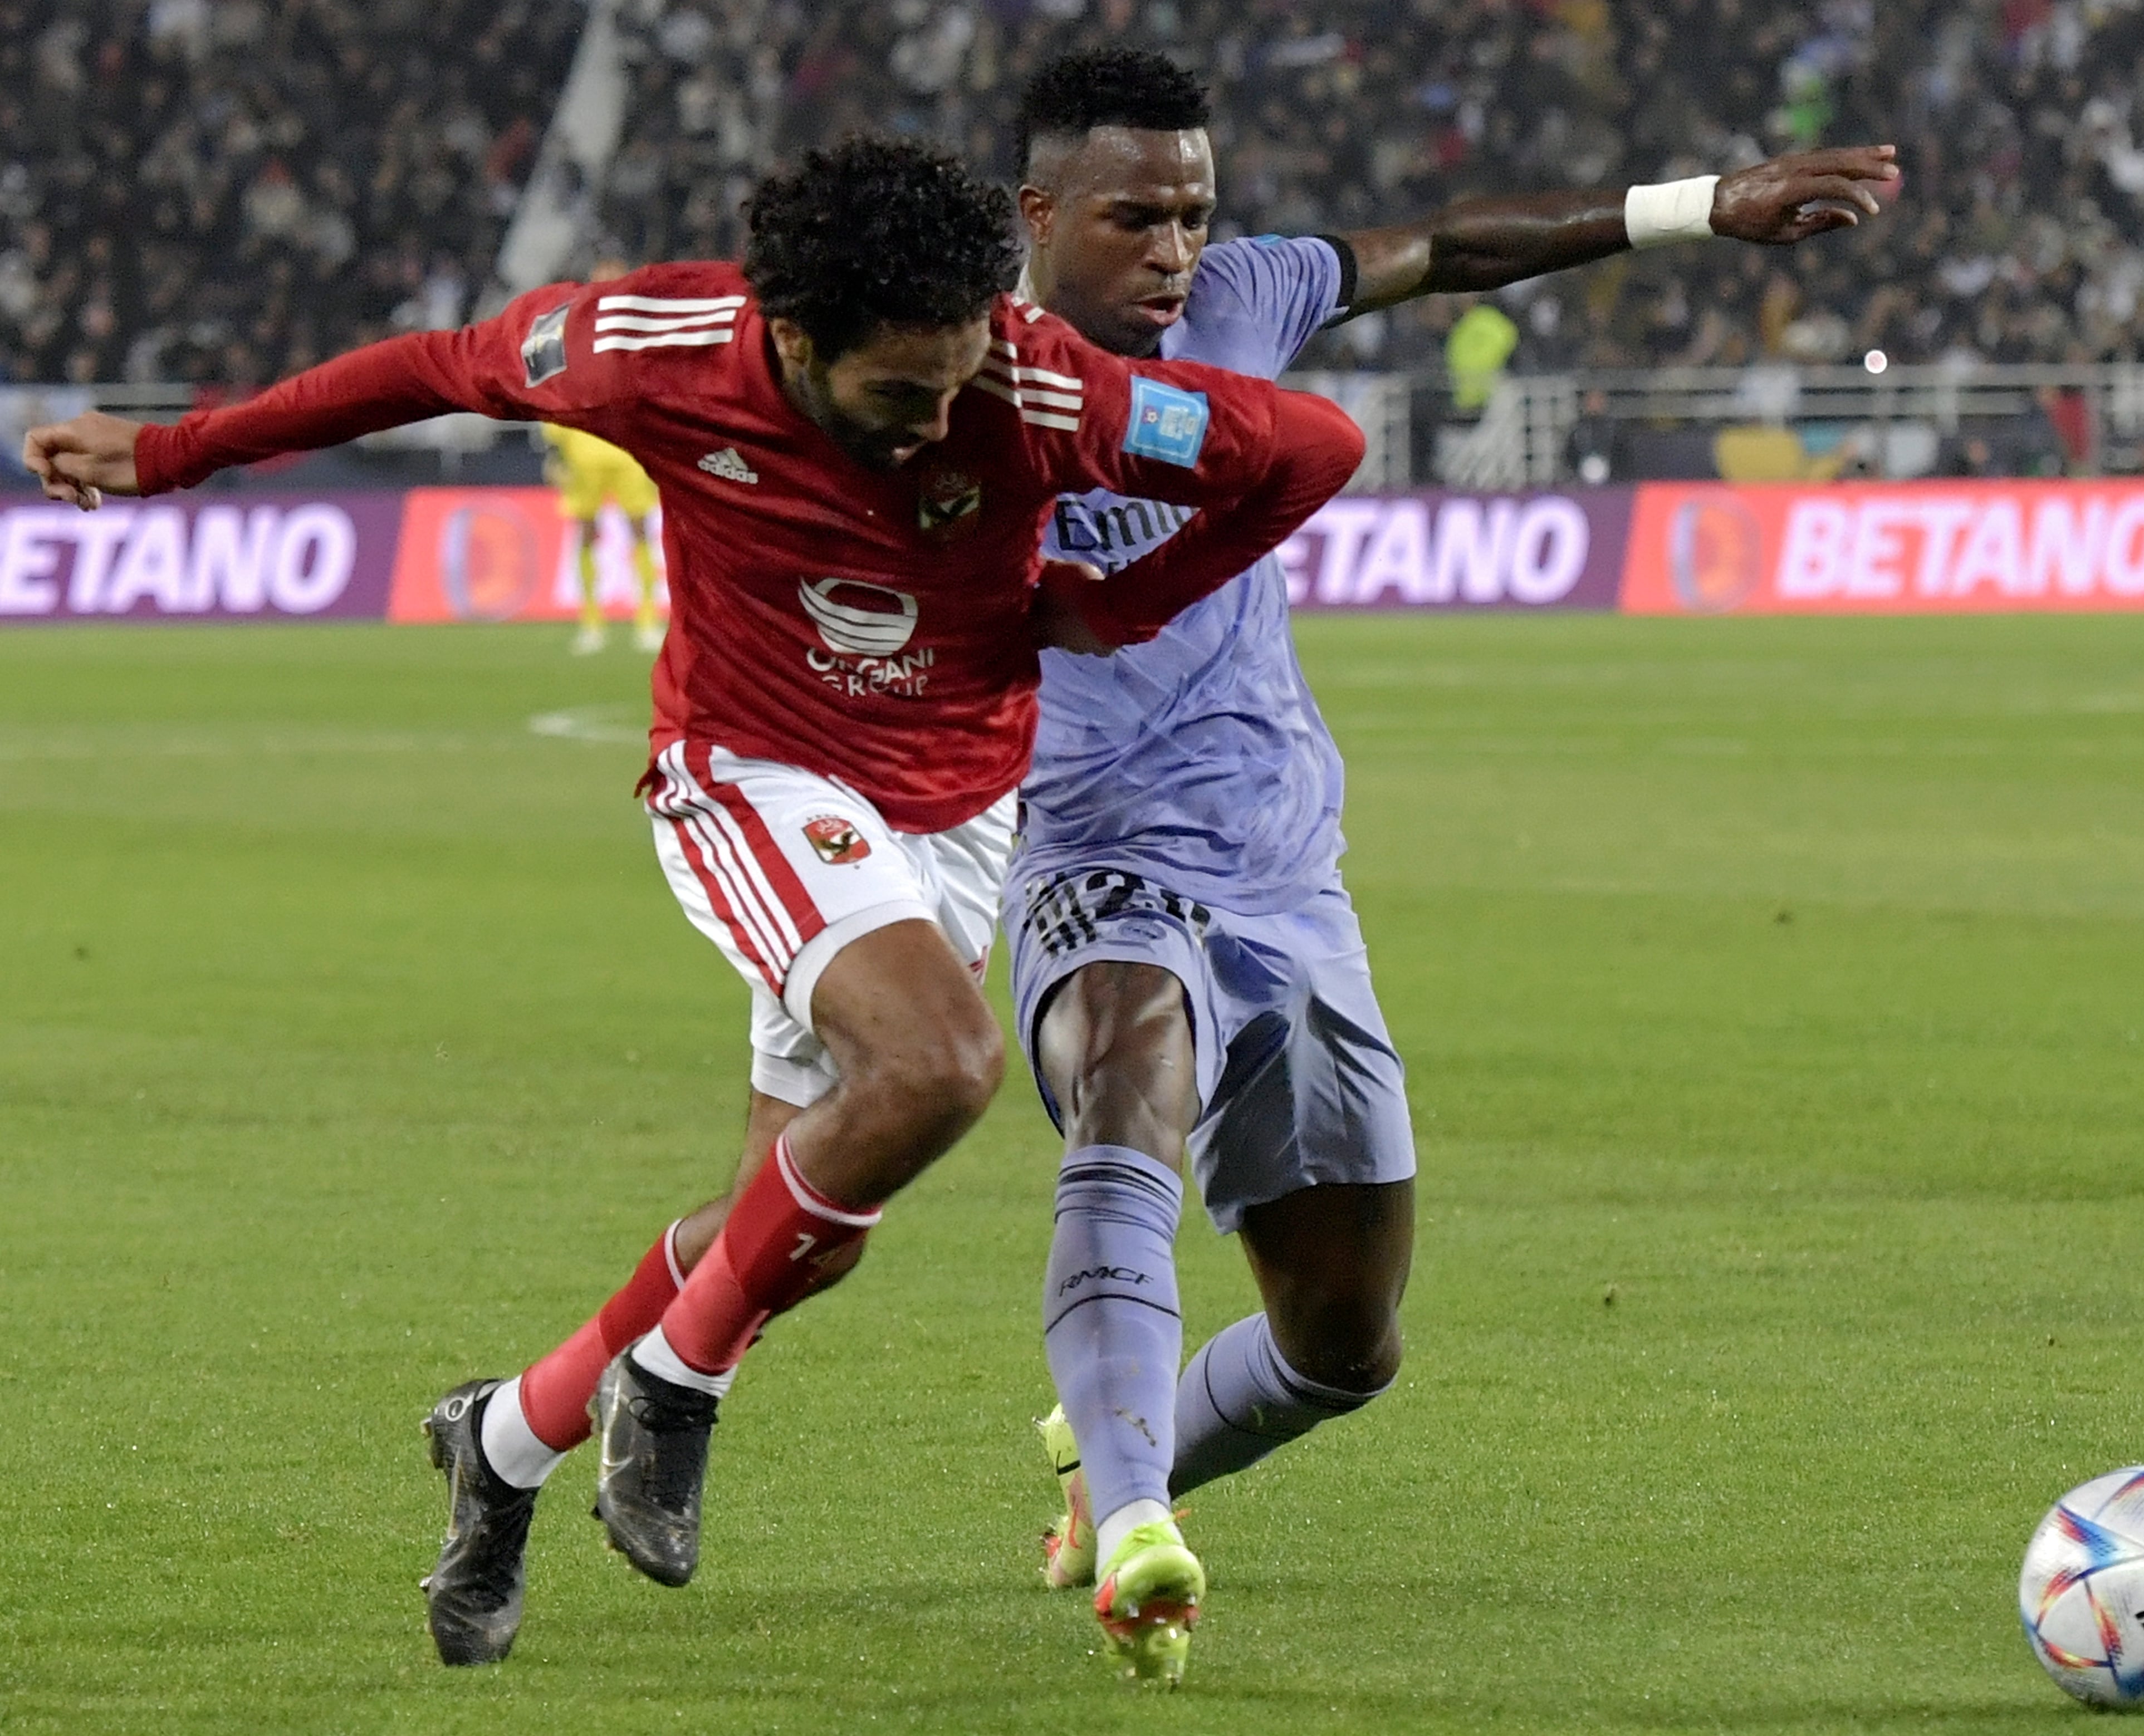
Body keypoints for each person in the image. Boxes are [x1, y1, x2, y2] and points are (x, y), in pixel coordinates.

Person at [23, 135, 1364, 1673]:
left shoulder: (1038, 383)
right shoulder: (646, 348)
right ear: (793, 340)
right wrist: (180, 449)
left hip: (951, 804)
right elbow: (431, 368)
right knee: (936, 1064)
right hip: (754, 766)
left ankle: (506, 1440)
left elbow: (1309, 445)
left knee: (794, 1220)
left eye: (960, 377)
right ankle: (676, 1382)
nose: (943, 420)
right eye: (900, 394)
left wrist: (1132, 597)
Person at [1006, 47, 1895, 1685]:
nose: (1173, 249)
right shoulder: (956, 374)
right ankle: (1136, 1515)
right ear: (1036, 213)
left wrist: (1703, 206)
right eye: (1134, 216)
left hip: (1287, 882)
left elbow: (1447, 250)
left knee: (1343, 1343)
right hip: (1094, 864)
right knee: (1124, 1084)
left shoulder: (1249, 298)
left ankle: (1112, 1463)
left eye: (1192, 214)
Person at [544, 416, 665, 655]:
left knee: (640, 530)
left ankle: (648, 622)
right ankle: (591, 624)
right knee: (586, 533)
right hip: (583, 448)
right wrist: (555, 454)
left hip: (629, 449)